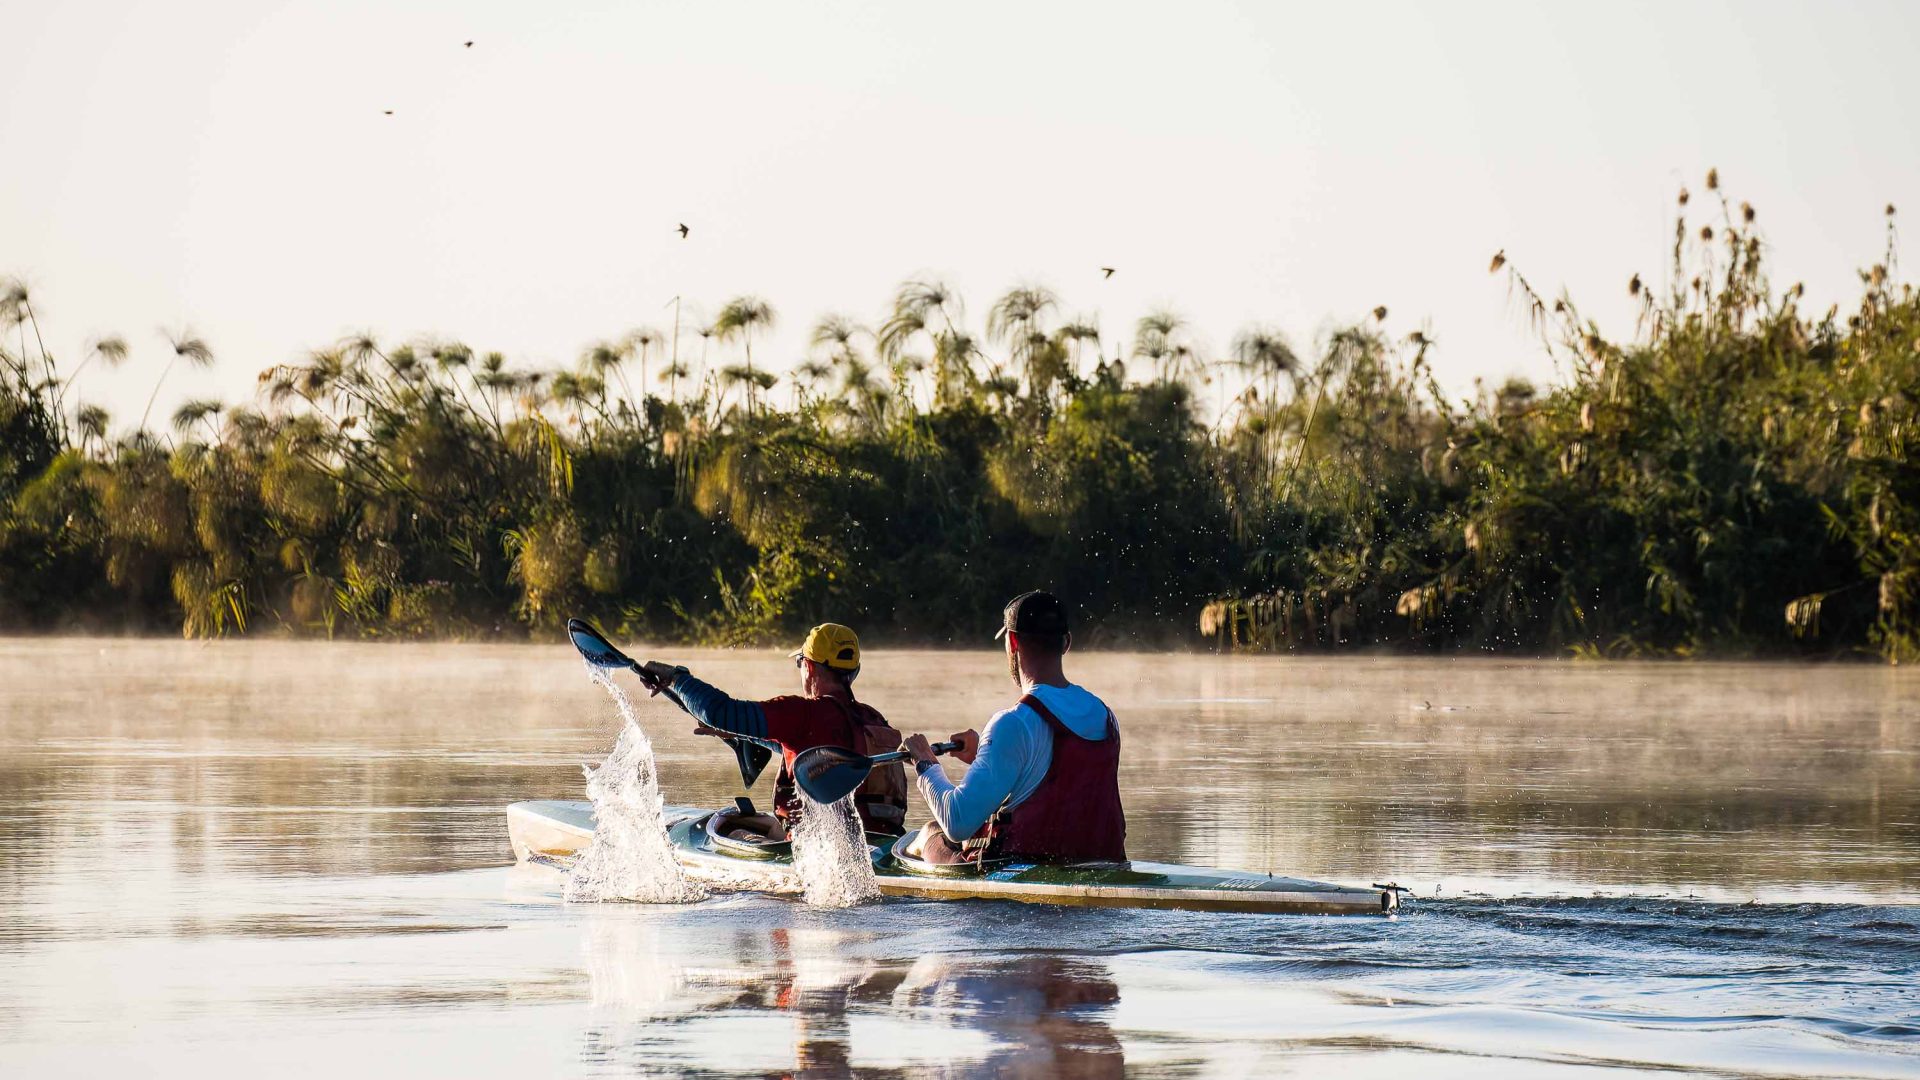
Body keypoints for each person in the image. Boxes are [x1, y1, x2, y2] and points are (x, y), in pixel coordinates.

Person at [902, 591, 1126, 864]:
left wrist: (925, 764)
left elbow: (958, 821)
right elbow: (1063, 781)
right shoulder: (1103, 714)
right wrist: (981, 755)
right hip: (1104, 863)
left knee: (929, 832)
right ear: (1066, 643)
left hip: (1025, 871)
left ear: (1012, 641)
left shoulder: (1014, 723)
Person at [648, 623, 908, 837]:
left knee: (730, 829)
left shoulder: (800, 713)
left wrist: (677, 679)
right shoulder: (873, 719)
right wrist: (738, 733)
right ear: (855, 671)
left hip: (819, 847)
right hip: (882, 840)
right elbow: (812, 752)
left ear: (809, 667)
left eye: (800, 663)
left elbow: (720, 712)